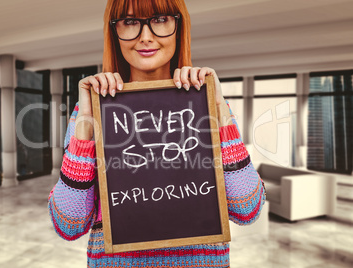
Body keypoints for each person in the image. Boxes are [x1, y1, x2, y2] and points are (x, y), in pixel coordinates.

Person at [48, 0, 266, 267]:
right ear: (114, 32)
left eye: (161, 19)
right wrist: (85, 125)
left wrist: (219, 108)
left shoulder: (209, 104)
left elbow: (248, 209)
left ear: (179, 27)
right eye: (130, 23)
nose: (146, 37)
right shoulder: (91, 111)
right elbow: (68, 225)